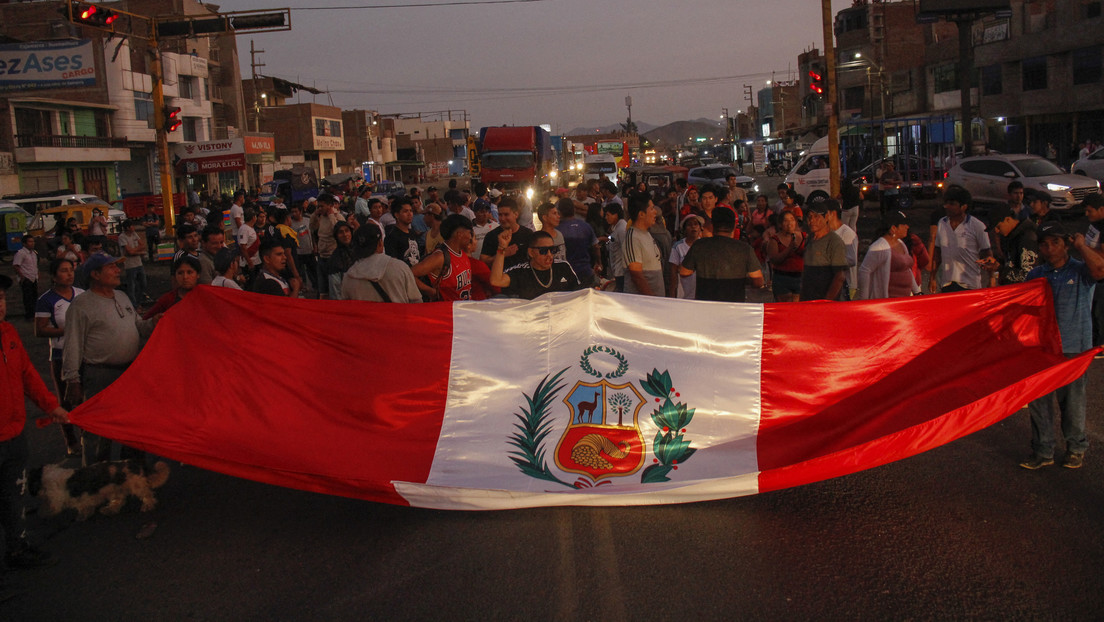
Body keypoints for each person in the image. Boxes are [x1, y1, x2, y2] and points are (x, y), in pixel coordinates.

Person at [0, 273, 69, 586]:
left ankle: (17, 548)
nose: (0, 305)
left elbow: (27, 374)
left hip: (14, 433)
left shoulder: (8, 332)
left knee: (13, 496)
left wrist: (51, 405)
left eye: (1, 299)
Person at [1019, 222, 1104, 469]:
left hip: (1074, 347)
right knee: (1039, 401)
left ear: (1066, 244)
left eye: (1055, 242)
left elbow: (1100, 269)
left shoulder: (1081, 270)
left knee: (1073, 402)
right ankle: (1043, 450)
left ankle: (1076, 448)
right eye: (1044, 244)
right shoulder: (1036, 275)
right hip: (1042, 348)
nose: (1049, 248)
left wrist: (1082, 246)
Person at [61, 254, 159, 465]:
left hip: (129, 373)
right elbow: (73, 344)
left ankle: (129, 474)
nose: (117, 270)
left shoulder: (122, 297)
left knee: (133, 427)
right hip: (100, 375)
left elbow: (138, 326)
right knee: (99, 431)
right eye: (111, 267)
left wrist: (154, 323)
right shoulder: (82, 305)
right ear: (95, 275)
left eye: (116, 266)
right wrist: (72, 380)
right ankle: (96, 480)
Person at [33, 258, 84, 457]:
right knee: (66, 400)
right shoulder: (46, 300)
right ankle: (71, 441)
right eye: (64, 271)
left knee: (86, 398)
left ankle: (87, 435)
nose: (69, 274)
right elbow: (40, 330)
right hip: (61, 355)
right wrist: (68, 330)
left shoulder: (82, 294)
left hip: (84, 354)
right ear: (54, 276)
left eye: (71, 270)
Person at [679, 207, 763, 302]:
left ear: (712, 225)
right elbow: (758, 282)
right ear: (734, 226)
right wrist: (742, 279)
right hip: (734, 306)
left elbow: (684, 272)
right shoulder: (744, 248)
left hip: (705, 305)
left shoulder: (699, 245)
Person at [929, 186, 992, 293]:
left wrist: (992, 279)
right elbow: (938, 253)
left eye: (952, 204)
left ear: (964, 207)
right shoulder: (942, 223)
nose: (947, 207)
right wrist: (932, 277)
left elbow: (987, 254)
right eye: (946, 203)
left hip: (970, 285)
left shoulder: (977, 226)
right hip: (947, 284)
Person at [341, 222, 422, 303]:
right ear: (380, 243)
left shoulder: (349, 276)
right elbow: (416, 303)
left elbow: (346, 308)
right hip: (396, 315)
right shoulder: (400, 268)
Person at [490, 230, 581, 299]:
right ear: (531, 252)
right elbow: (496, 281)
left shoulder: (563, 266)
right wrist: (501, 248)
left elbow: (579, 293)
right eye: (543, 251)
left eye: (552, 250)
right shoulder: (520, 271)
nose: (549, 255)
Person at [856, 211, 919, 300]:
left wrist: (917, 292)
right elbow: (865, 271)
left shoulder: (901, 244)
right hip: (888, 300)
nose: (907, 227)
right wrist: (864, 300)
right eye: (903, 224)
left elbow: (906, 269)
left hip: (904, 299)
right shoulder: (879, 247)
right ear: (893, 228)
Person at [412, 214, 475, 301]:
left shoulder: (462, 253)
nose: (471, 237)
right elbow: (409, 274)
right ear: (459, 234)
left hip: (462, 310)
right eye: (469, 233)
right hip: (447, 311)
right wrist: (430, 291)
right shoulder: (440, 257)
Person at [980, 203, 1039, 285]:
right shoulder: (1009, 236)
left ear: (1008, 219)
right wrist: (996, 264)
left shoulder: (1027, 238)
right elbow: (1011, 263)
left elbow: (1028, 275)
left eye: (998, 227)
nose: (997, 231)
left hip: (1025, 293)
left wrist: (1000, 268)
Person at [801, 201, 849, 301]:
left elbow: (839, 276)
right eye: (809, 217)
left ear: (826, 217)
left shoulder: (834, 242)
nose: (812, 220)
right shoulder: (810, 239)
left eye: (816, 216)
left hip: (823, 301)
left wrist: (827, 301)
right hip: (807, 299)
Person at [623, 194, 664, 297]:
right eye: (651, 209)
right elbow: (636, 275)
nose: (655, 212)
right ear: (641, 214)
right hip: (642, 304)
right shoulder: (633, 237)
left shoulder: (647, 233)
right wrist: (651, 299)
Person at [479, 198, 533, 272]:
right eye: (500, 215)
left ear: (516, 214)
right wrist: (502, 254)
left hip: (523, 280)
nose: (502, 218)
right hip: (500, 280)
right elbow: (483, 262)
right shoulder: (491, 236)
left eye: (506, 214)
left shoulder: (528, 234)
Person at [556, 198, 600, 288]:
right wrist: (599, 262)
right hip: (586, 271)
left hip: (567, 274)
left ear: (559, 212)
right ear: (574, 210)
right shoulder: (586, 226)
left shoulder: (557, 230)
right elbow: (596, 247)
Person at [767, 210, 805, 302]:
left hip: (801, 277)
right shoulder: (774, 240)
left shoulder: (804, 236)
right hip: (782, 279)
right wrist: (789, 249)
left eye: (792, 220)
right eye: (785, 221)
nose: (789, 223)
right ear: (780, 224)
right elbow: (774, 260)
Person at [824, 199, 859, 299]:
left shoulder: (847, 233)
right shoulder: (827, 232)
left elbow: (852, 260)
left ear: (832, 214)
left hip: (846, 285)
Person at [668, 215, 702, 299]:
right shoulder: (678, 247)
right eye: (689, 225)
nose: (693, 227)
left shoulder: (705, 245)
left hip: (701, 293)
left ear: (700, 228)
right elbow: (673, 273)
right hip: (683, 292)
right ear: (684, 229)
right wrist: (672, 294)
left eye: (696, 224)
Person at [118, 220, 147, 306]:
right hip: (129, 265)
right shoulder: (122, 237)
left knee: (143, 283)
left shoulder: (134, 234)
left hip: (138, 263)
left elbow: (142, 245)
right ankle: (134, 305)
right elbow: (128, 252)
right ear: (127, 228)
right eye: (132, 226)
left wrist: (134, 251)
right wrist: (139, 251)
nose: (133, 228)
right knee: (132, 286)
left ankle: (139, 301)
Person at [326, 222, 357, 300]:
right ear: (336, 236)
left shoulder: (359, 251)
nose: (345, 235)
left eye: (347, 231)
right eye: (340, 232)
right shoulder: (335, 259)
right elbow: (335, 290)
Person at [12, 235, 39, 320]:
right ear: (24, 243)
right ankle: (29, 315)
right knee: (28, 298)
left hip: (33, 277)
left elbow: (35, 265)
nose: (32, 243)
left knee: (34, 296)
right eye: (30, 242)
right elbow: (16, 265)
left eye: (33, 241)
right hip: (26, 278)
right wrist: (22, 276)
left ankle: (34, 313)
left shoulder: (34, 253)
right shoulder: (21, 253)